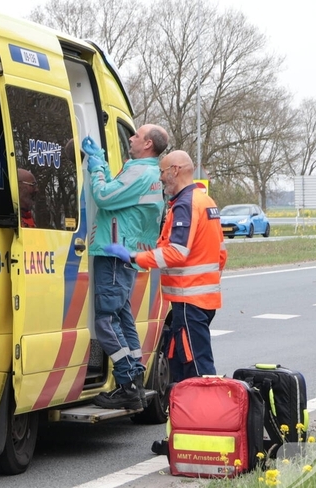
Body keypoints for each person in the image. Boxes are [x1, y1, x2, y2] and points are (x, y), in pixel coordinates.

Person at [104, 149, 227, 384]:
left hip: (189, 300)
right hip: (200, 299)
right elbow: (221, 254)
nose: (160, 178)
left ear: (175, 170)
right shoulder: (205, 201)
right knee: (181, 362)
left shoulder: (185, 205)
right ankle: (186, 414)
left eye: (162, 172)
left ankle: (204, 416)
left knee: (197, 369)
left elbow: (177, 252)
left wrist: (134, 257)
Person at [84, 125, 169, 410]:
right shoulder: (148, 172)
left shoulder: (139, 172)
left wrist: (96, 168)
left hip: (113, 252)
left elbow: (105, 197)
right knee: (122, 317)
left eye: (135, 135)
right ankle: (134, 375)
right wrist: (105, 166)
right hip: (127, 253)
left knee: (105, 320)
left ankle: (127, 380)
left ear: (147, 144)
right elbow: (119, 199)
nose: (130, 138)